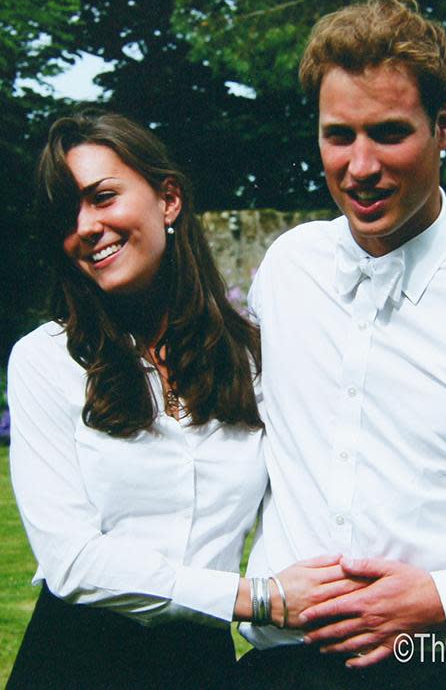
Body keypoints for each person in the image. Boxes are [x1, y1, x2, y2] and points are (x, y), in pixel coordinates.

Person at [7, 110, 355, 690]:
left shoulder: (253, 361)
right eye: (67, 213)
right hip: (75, 662)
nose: (86, 226)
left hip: (202, 669)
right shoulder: (47, 360)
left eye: (102, 197)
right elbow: (70, 561)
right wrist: (255, 599)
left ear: (168, 200)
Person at [237, 0, 446, 689]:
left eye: (388, 132)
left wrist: (444, 599)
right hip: (282, 665)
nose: (359, 166)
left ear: (443, 126)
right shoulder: (288, 271)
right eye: (338, 135)